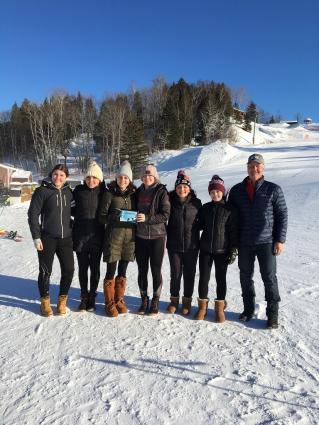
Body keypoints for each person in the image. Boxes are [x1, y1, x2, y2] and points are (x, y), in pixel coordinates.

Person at [228, 153, 288, 329]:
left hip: (266, 242)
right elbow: (232, 217)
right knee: (245, 277)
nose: (254, 169)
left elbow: (282, 215)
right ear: (247, 168)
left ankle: (273, 315)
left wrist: (280, 239)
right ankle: (248, 309)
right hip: (245, 241)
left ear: (263, 168)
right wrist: (232, 242)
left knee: (269, 278)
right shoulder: (237, 190)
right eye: (251, 166)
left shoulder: (273, 189)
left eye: (257, 166)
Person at [28, 164, 74, 316]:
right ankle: (45, 302)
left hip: (66, 239)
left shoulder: (69, 192)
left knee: (68, 270)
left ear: (66, 177)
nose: (58, 178)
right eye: (55, 174)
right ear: (51, 175)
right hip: (47, 238)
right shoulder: (42, 191)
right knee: (45, 271)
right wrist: (36, 236)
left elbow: (75, 211)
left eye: (62, 175)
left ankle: (62, 302)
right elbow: (33, 215)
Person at [195, 175, 238, 322]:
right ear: (209, 193)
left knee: (221, 279)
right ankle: (202, 307)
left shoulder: (229, 209)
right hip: (205, 249)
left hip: (222, 251)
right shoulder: (205, 208)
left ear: (223, 191)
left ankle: (220, 308)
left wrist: (233, 249)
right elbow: (199, 225)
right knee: (204, 279)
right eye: (212, 192)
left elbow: (233, 231)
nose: (215, 194)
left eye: (218, 191)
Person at [99, 161, 136, 317]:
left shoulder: (134, 194)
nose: (123, 181)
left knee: (123, 271)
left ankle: (119, 299)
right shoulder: (109, 193)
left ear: (130, 180)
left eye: (126, 178)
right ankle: (109, 302)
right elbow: (101, 217)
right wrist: (111, 217)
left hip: (129, 239)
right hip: (113, 238)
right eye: (121, 177)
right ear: (117, 178)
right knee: (111, 271)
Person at [136, 164, 171, 315]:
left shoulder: (161, 192)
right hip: (140, 237)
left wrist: (147, 218)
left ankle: (155, 300)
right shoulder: (137, 192)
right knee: (142, 270)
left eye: (150, 176)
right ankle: (144, 299)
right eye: (144, 176)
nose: (147, 178)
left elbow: (165, 214)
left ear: (155, 177)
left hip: (157, 236)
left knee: (155, 270)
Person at [166, 170, 202, 315]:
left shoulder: (196, 203)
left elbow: (203, 222)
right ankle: (174, 301)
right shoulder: (169, 202)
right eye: (179, 187)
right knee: (175, 274)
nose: (182, 189)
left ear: (189, 188)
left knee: (189, 274)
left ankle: (186, 302)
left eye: (185, 187)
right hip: (173, 245)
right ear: (175, 188)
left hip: (191, 246)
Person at [72, 161, 105, 312]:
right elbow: (69, 209)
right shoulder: (78, 190)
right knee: (83, 268)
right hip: (80, 237)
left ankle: (92, 297)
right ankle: (84, 297)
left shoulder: (104, 192)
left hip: (97, 237)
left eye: (94, 178)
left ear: (100, 179)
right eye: (88, 177)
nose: (91, 181)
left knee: (95, 269)